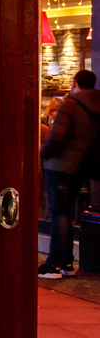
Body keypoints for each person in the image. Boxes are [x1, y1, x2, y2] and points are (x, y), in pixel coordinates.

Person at [39, 69, 100, 278]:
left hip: (59, 167)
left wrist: (43, 153)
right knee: (67, 214)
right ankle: (67, 263)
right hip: (80, 168)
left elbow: (57, 138)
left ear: (74, 83)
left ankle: (54, 264)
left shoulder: (70, 105)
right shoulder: (96, 108)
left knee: (58, 214)